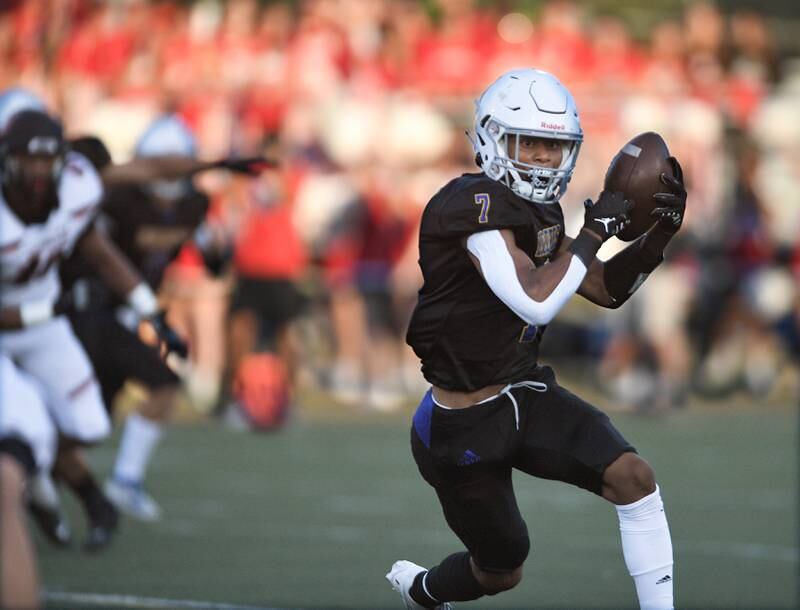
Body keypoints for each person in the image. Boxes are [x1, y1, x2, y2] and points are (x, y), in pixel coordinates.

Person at [386, 68, 686, 610]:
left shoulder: (539, 211)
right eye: (532, 143)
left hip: (524, 391)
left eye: (555, 146)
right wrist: (594, 233)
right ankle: (424, 590)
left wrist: (656, 237)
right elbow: (535, 298)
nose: (545, 159)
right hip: (461, 422)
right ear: (491, 138)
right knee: (502, 570)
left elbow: (603, 288)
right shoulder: (471, 206)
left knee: (634, 477)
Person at [0, 109, 186, 550]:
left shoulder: (77, 189)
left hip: (43, 322)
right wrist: (51, 309)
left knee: (89, 425)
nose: (39, 171)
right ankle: (55, 496)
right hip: (13, 328)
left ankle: (46, 483)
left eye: (48, 160)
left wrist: (151, 313)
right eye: (29, 159)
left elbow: (100, 252)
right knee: (31, 431)